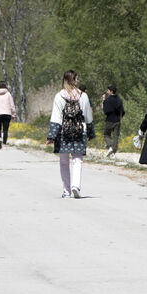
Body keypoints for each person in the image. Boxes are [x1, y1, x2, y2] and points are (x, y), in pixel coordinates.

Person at [45, 70, 95, 199]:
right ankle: (76, 186)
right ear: (73, 80)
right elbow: (88, 116)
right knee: (77, 160)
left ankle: (66, 191)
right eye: (76, 79)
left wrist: (51, 136)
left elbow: (56, 117)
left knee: (64, 161)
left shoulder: (59, 96)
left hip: (63, 132)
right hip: (79, 131)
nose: (78, 81)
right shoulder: (83, 96)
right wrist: (90, 131)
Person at [0, 81, 16, 149]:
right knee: (5, 129)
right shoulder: (8, 94)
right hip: (7, 114)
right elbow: (12, 105)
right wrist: (13, 114)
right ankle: (4, 144)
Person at [102, 85, 125, 158]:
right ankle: (113, 153)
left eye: (108, 90)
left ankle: (109, 147)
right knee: (116, 137)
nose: (107, 91)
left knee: (106, 134)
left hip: (109, 120)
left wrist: (103, 100)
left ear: (111, 91)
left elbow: (105, 111)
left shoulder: (108, 100)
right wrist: (120, 119)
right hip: (118, 120)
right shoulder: (119, 100)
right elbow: (122, 111)